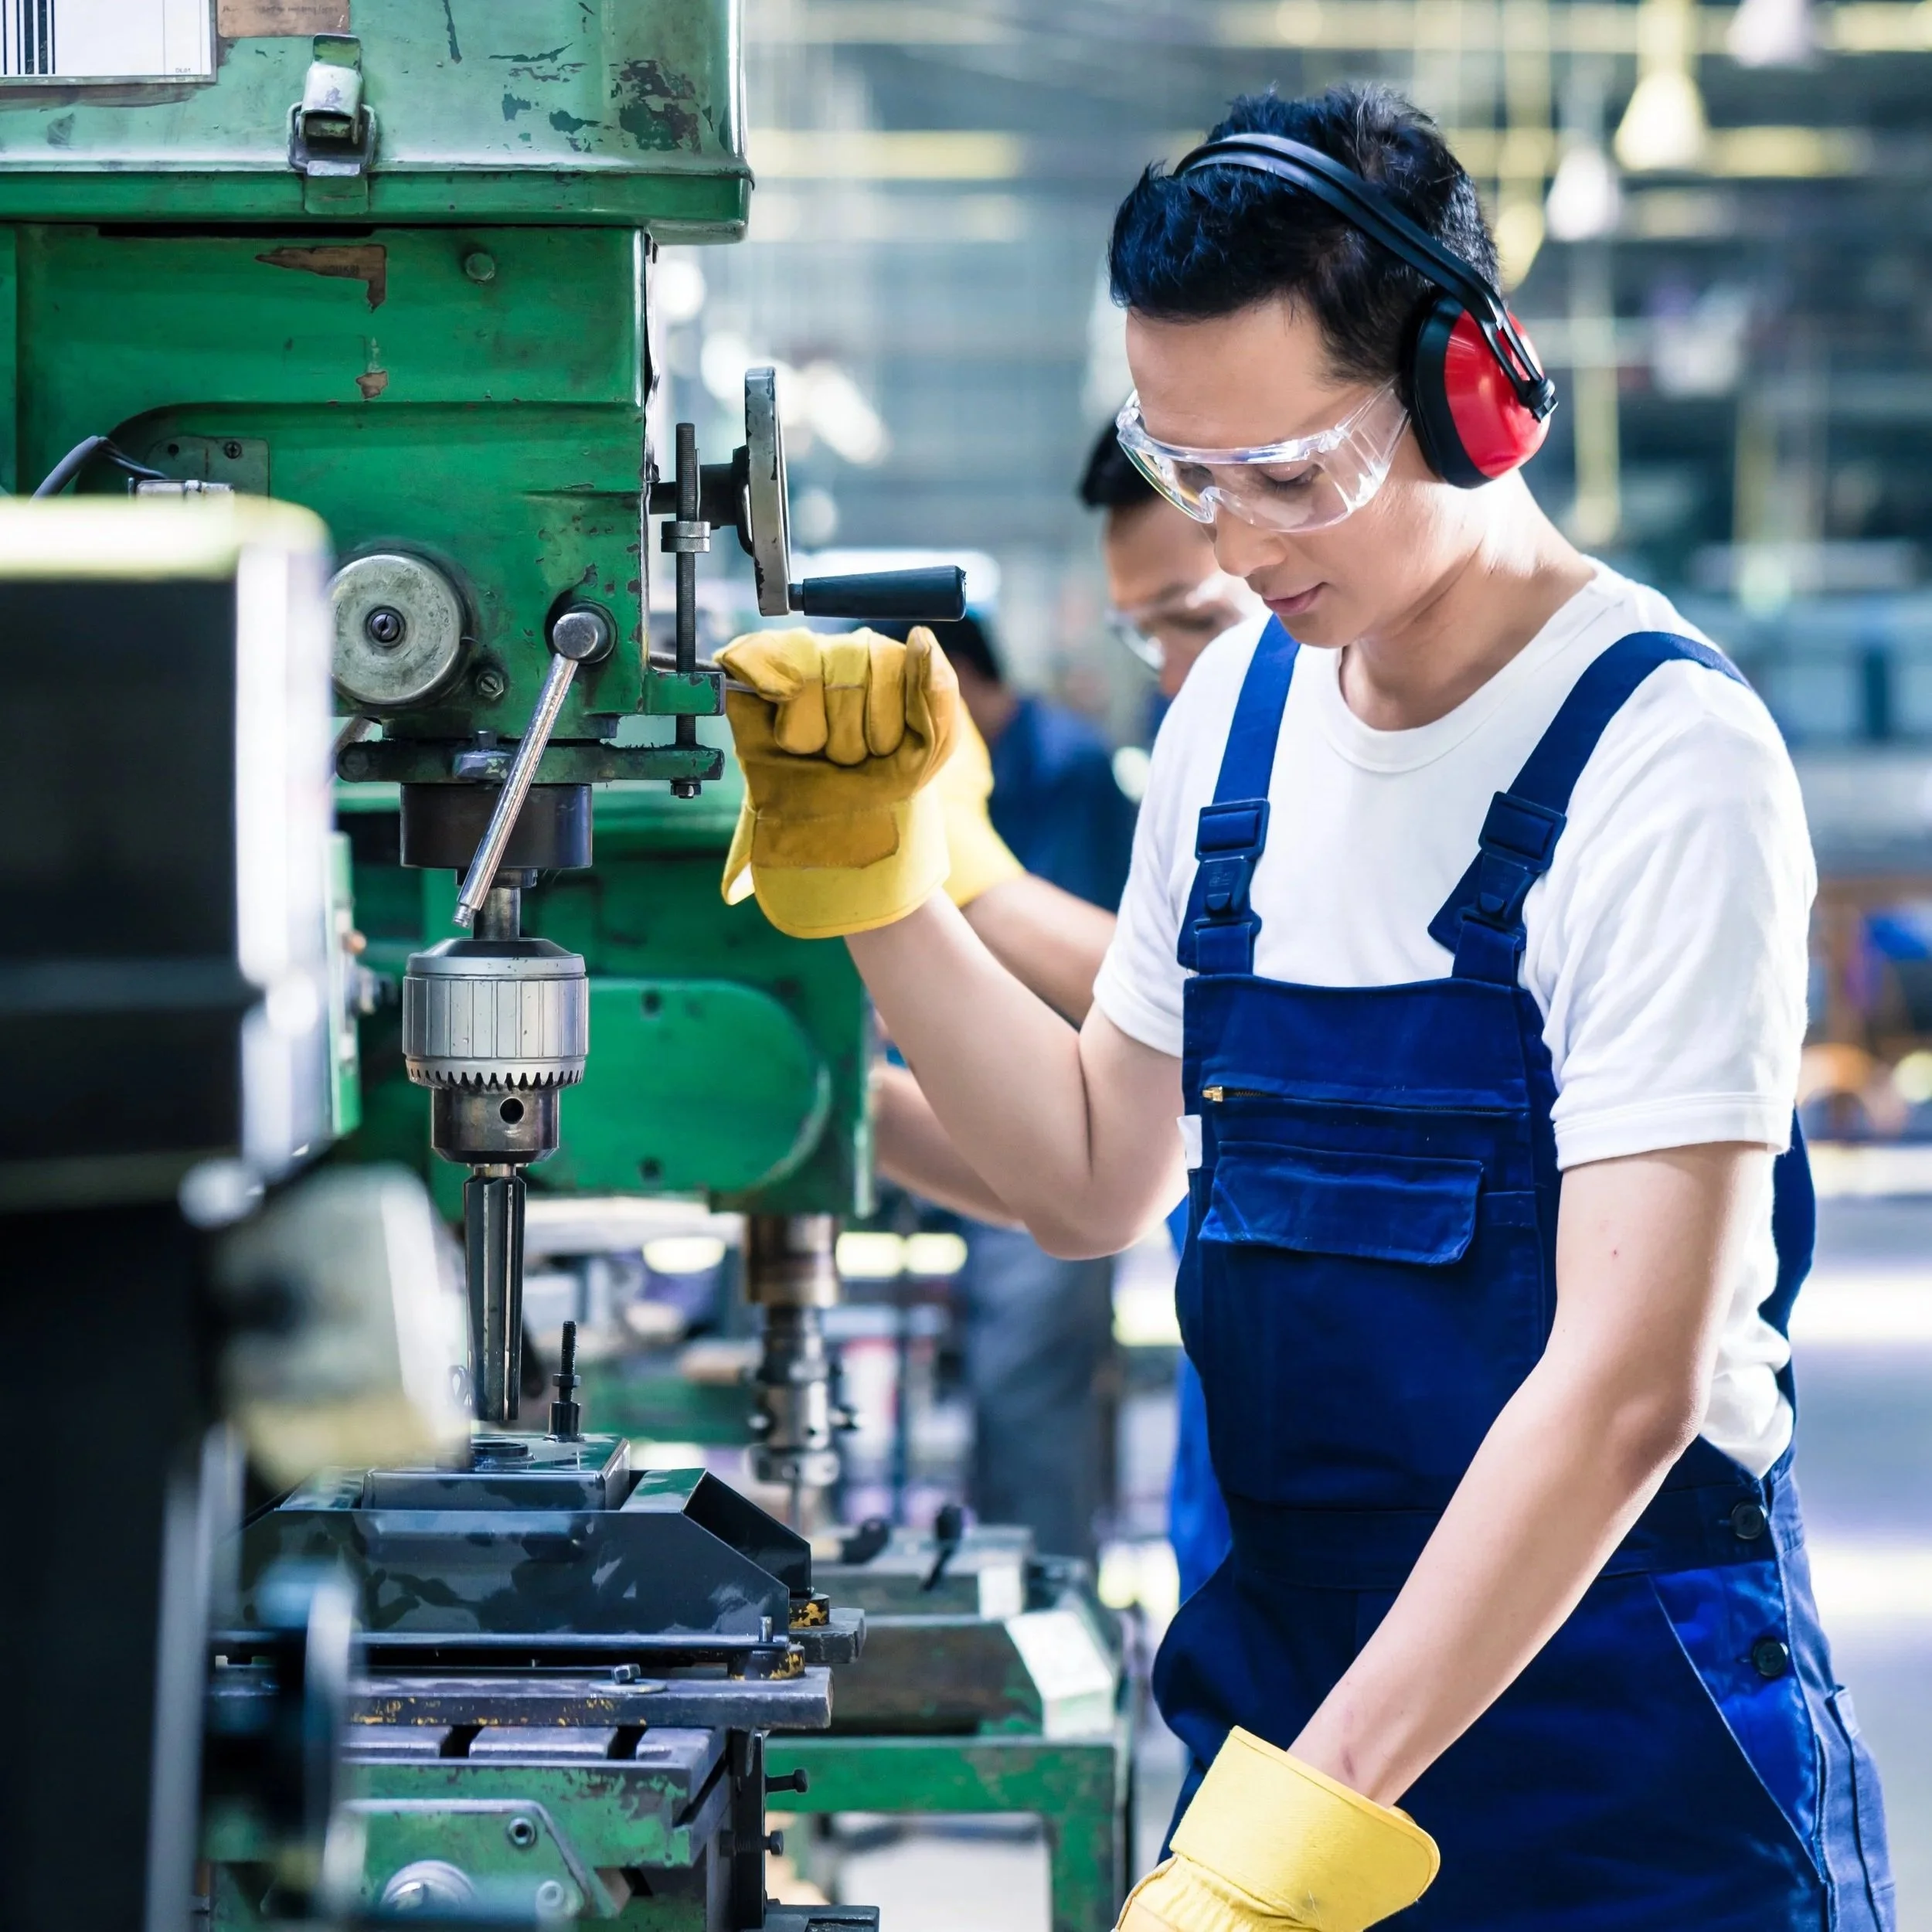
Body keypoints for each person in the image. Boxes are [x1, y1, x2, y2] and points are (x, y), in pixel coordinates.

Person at [710, 83, 1894, 1927]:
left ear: (1467, 396)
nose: (1246, 549)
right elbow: (1098, 1170)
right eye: (1194, 475)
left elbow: (1624, 1380)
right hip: (1293, 1716)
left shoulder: (1664, 759)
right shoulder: (1233, 727)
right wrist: (875, 886)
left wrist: (1284, 1853)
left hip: (1621, 1784)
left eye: (1294, 476)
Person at [882, 609, 1138, 1561]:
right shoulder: (943, 774)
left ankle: (1044, 1583)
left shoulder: (1067, 769)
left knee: (1028, 1362)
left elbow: (1072, 988)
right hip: (948, 1087)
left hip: (1068, 1107)